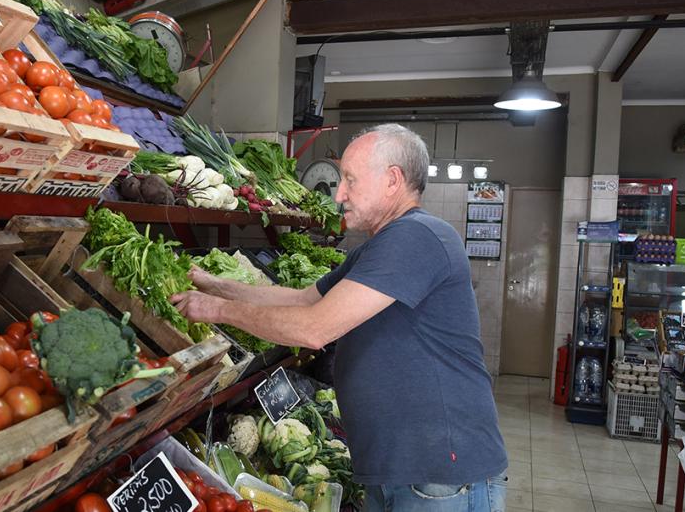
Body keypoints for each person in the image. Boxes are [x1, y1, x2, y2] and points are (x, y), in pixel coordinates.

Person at [170, 124, 508, 512]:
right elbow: (300, 299)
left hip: (437, 478)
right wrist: (215, 285)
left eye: (350, 179)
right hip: (399, 471)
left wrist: (214, 310)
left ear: (392, 180)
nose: (339, 193)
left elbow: (313, 328)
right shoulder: (376, 249)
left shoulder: (416, 238)